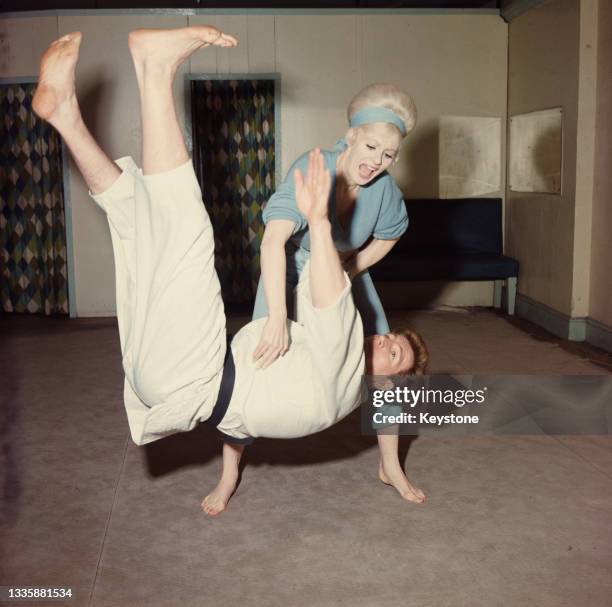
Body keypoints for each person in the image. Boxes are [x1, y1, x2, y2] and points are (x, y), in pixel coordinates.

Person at [32, 26, 427, 518]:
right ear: (351, 136)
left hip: (191, 378)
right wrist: (285, 310)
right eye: (372, 148)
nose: (379, 162)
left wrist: (345, 259)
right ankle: (66, 118)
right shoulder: (316, 169)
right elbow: (279, 244)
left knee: (181, 230)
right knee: (141, 221)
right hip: (194, 368)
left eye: (389, 155)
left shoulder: (340, 370)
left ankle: (154, 71)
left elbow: (358, 268)